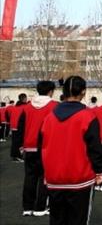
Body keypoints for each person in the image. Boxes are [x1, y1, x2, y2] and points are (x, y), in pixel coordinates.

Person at [40, 76, 102, 225]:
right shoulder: (88, 116)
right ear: (83, 92)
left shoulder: (49, 117)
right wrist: (100, 171)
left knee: (57, 220)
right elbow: (95, 148)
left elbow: (42, 145)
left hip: (54, 177)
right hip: (79, 178)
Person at [17, 81, 58, 217]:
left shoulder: (27, 107)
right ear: (51, 91)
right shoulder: (54, 106)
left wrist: (21, 145)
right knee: (44, 178)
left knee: (30, 177)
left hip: (29, 147)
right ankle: (40, 207)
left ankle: (27, 207)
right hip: (46, 147)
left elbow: (20, 128)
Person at [8, 93, 28, 162]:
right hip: (20, 127)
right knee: (20, 143)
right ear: (24, 98)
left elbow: (10, 116)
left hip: (14, 126)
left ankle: (15, 156)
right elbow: (25, 118)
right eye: (26, 98)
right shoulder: (24, 107)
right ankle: (19, 156)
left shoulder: (15, 107)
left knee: (14, 142)